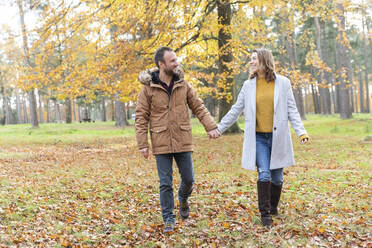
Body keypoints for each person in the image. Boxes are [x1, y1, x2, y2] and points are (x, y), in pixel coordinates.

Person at [215, 48, 309, 227]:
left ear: (264, 61)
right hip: (258, 138)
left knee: (278, 179)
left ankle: (273, 207)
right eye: (251, 59)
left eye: (254, 59)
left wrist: (301, 132)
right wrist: (220, 128)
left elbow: (292, 110)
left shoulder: (283, 83)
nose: (251, 62)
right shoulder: (248, 85)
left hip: (278, 137)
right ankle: (265, 214)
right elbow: (236, 109)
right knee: (264, 173)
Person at [135, 46, 220, 233]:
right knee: (165, 182)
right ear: (161, 64)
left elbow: (198, 107)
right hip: (161, 140)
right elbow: (141, 117)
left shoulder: (183, 84)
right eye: (172, 60)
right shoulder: (148, 89)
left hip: (182, 138)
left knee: (189, 179)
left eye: (176, 60)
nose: (176, 63)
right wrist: (143, 144)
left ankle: (183, 198)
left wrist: (211, 126)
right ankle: (168, 219)